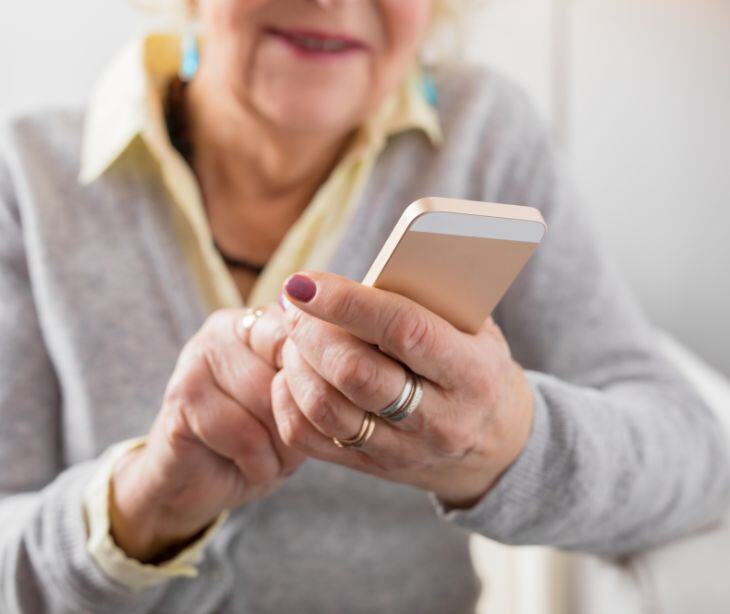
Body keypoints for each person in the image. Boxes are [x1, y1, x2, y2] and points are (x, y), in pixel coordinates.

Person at [1, 1, 728, 612]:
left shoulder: (486, 135)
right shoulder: (29, 178)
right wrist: (140, 507)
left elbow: (694, 454)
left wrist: (506, 443)